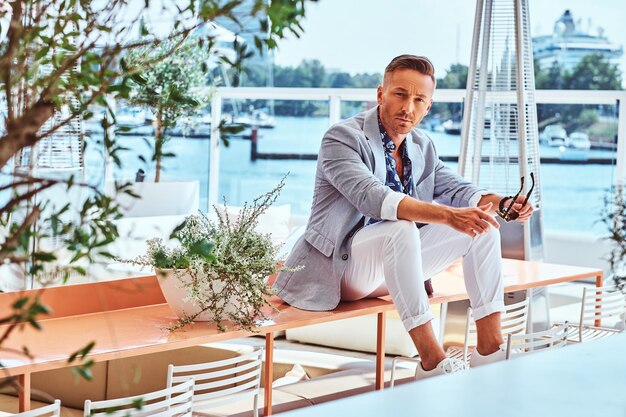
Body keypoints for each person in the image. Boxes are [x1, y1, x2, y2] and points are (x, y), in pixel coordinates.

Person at [273, 54, 533, 377]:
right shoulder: (341, 138)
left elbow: (456, 189)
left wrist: (504, 202)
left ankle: (490, 351)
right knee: (402, 229)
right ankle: (433, 363)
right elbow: (372, 197)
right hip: (343, 269)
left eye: (419, 99)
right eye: (400, 94)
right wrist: (449, 217)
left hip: (396, 265)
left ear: (429, 105)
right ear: (380, 94)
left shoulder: (423, 146)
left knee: (484, 227)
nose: (408, 107)